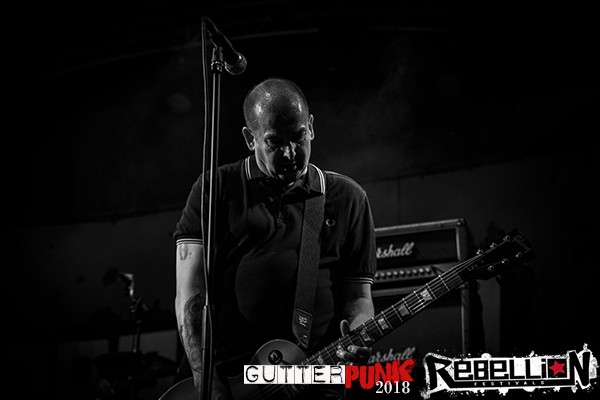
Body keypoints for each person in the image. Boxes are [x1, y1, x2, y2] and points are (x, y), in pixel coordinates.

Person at [171, 77, 377, 400]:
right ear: (249, 139)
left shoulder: (347, 198)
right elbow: (190, 293)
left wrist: (358, 332)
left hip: (313, 379)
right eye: (274, 142)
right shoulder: (216, 189)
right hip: (229, 377)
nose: (290, 153)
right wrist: (207, 380)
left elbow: (358, 297)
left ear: (311, 127)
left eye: (298, 137)